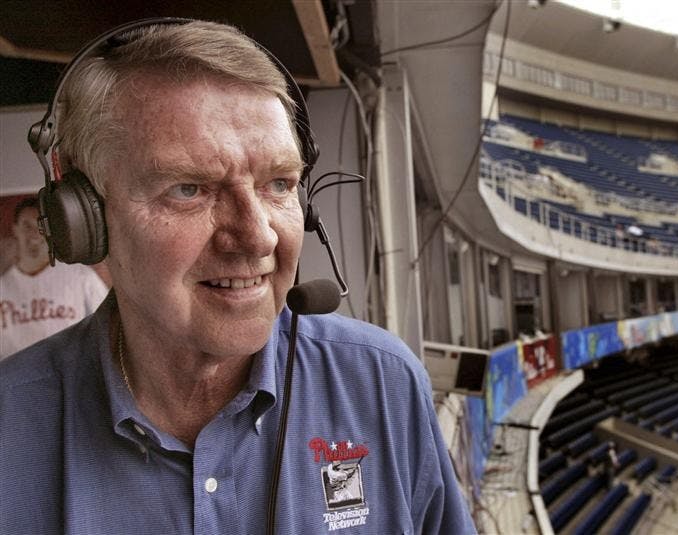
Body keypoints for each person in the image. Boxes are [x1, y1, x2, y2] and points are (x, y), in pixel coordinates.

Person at [0, 20, 475, 534]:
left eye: (278, 183)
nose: (258, 238)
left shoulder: (382, 381)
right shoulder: (11, 422)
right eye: (189, 189)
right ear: (83, 220)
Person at [0, 197, 107, 359]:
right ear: (15, 229)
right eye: (27, 226)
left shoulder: (80, 276)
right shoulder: (2, 287)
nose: (34, 234)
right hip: (16, 380)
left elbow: (108, 326)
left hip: (71, 375)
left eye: (40, 227)